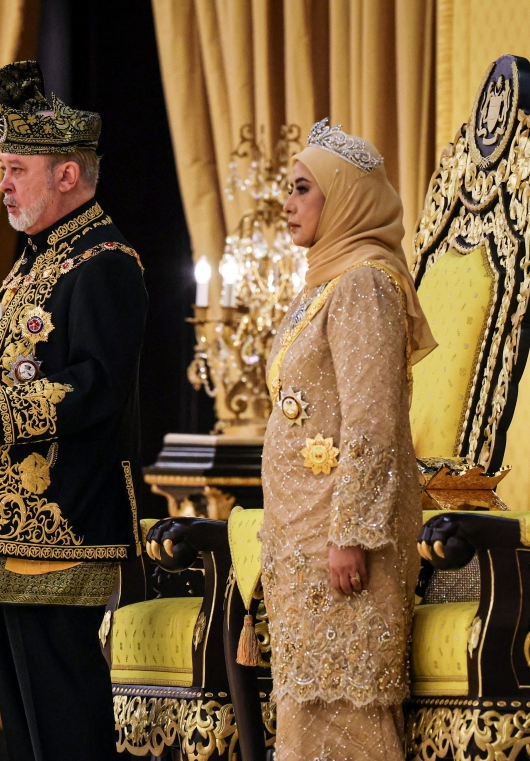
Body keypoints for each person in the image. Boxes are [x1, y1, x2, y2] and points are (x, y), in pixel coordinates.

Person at [0, 60, 148, 761]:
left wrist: (3, 408)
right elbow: (3, 370)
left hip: (61, 526)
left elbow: (98, 385)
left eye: (16, 167)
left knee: (64, 721)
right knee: (23, 727)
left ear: (67, 176)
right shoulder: (34, 262)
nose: (4, 184)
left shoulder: (104, 262)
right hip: (4, 528)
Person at [258, 120, 436, 759]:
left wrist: (350, 535)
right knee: (308, 718)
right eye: (289, 189)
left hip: (340, 549)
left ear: (347, 197)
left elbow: (372, 420)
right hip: (304, 543)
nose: (288, 203)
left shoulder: (363, 282)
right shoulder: (326, 283)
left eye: (303, 188)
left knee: (346, 717)